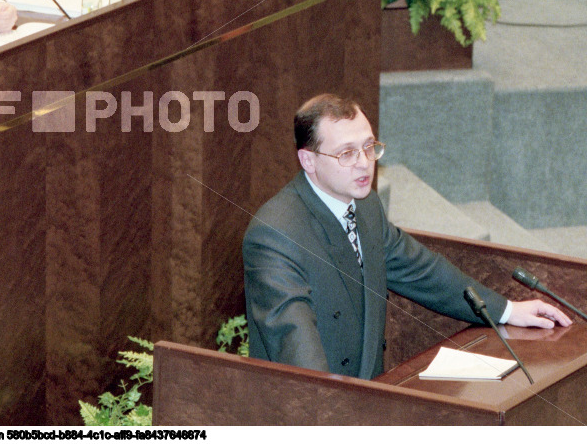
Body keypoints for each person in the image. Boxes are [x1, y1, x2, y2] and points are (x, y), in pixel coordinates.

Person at [242, 93, 571, 379]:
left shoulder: (366, 205)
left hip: (368, 398)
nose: (364, 164)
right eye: (347, 153)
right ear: (308, 160)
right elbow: (298, 351)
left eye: (369, 147)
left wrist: (507, 311)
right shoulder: (275, 236)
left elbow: (422, 272)